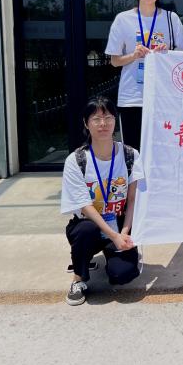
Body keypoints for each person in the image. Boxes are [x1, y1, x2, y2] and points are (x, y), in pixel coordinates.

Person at [60, 96, 142, 306]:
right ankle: (78, 278)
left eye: (108, 118)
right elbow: (85, 207)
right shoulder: (76, 160)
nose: (103, 124)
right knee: (85, 231)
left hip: (119, 222)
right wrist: (114, 236)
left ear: (115, 120)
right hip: (90, 224)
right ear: (86, 123)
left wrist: (124, 233)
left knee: (122, 275)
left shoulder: (130, 155)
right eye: (96, 119)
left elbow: (132, 199)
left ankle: (115, 256)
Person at [105, 0, 183, 150]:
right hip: (132, 98)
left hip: (163, 96)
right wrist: (134, 55)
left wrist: (167, 53)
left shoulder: (171, 19)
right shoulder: (123, 19)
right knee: (133, 153)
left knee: (164, 151)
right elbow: (114, 61)